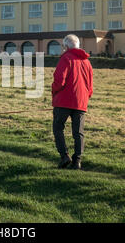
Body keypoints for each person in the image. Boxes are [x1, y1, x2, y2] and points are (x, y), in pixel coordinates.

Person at [52, 34, 93, 170]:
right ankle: (77, 161)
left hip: (63, 101)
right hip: (81, 102)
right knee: (78, 132)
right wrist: (85, 97)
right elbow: (90, 85)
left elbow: (59, 81)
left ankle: (64, 156)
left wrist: (54, 91)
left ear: (66, 46)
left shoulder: (66, 58)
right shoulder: (87, 62)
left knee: (58, 128)